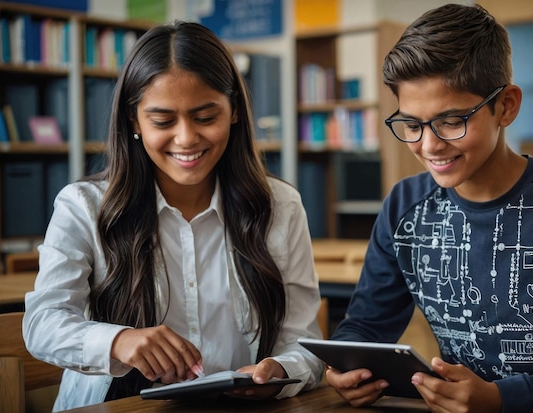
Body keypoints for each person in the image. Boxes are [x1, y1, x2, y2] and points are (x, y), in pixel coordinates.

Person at [326, 4, 533, 412]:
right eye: (412, 125)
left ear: (506, 106)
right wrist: (345, 367)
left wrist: (500, 399)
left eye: (451, 121)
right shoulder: (405, 206)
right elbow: (364, 327)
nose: (429, 146)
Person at [23, 21, 323, 411]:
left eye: (205, 117)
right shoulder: (83, 205)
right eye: (163, 121)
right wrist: (118, 341)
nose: (186, 139)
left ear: (233, 111)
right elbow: (42, 324)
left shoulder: (279, 206)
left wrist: (279, 371)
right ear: (134, 120)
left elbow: (304, 343)